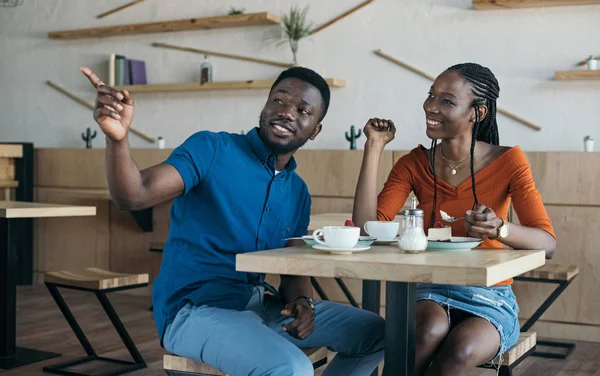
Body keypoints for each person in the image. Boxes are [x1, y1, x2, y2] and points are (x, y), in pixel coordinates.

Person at [80, 65, 385, 376]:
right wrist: (118, 140)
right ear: (265, 106)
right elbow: (134, 195)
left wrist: (303, 303)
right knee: (290, 368)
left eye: (303, 110)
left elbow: (292, 270)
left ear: (315, 129)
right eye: (278, 101)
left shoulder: (297, 192)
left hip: (261, 308)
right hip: (195, 312)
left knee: (378, 332)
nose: (287, 113)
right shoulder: (212, 149)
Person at [352, 63, 556, 376]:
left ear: (478, 113)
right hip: (429, 288)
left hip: (489, 296)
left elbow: (547, 243)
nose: (430, 106)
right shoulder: (414, 164)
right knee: (426, 331)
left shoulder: (509, 162)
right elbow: (367, 228)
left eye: (447, 101)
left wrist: (499, 229)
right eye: (430, 95)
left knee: (461, 351)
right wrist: (374, 147)